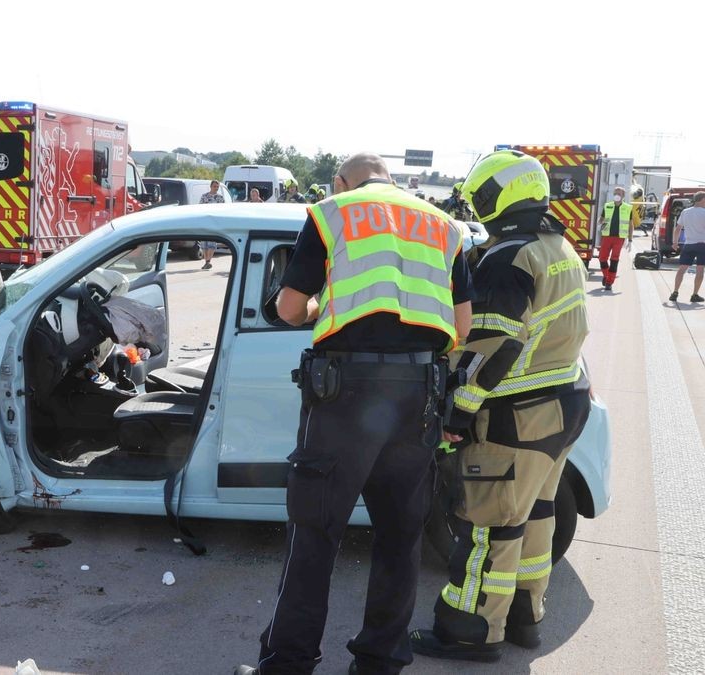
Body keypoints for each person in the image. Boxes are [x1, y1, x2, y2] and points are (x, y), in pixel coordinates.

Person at [236, 152, 473, 675]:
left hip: (346, 394)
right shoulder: (444, 225)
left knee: (315, 533)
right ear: (390, 178)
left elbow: (291, 308)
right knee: (399, 537)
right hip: (418, 394)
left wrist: (324, 308)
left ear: (343, 180)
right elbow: (461, 325)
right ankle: (381, 662)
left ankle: (288, 664)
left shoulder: (332, 211)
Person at [410, 149, 592, 662]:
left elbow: (491, 346)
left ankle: (467, 631)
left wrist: (456, 415)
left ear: (503, 197)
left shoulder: (506, 258)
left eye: (483, 198)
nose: (480, 208)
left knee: (486, 527)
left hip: (516, 415)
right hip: (563, 404)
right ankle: (523, 620)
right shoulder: (559, 247)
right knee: (535, 518)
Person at [596, 185, 639, 291]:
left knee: (614, 260)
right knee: (602, 258)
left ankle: (609, 282)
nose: (616, 195)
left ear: (623, 196)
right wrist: (597, 225)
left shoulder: (628, 208)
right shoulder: (607, 206)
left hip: (619, 238)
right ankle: (606, 276)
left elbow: (630, 225)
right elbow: (601, 219)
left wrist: (630, 240)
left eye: (619, 194)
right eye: (615, 193)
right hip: (606, 236)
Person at [669, 191, 705, 303]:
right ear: (702, 199)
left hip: (688, 244)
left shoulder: (685, 212)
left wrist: (675, 242)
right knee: (700, 270)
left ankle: (675, 292)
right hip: (702, 245)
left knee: (681, 269)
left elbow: (678, 228)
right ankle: (694, 295)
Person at [199, 179, 226, 270]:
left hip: (215, 223)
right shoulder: (204, 197)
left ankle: (208, 261)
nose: (216, 188)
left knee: (212, 243)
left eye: (217, 187)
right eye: (214, 186)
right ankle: (206, 261)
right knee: (204, 244)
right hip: (205, 222)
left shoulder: (220, 198)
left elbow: (223, 211)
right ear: (211, 186)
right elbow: (199, 208)